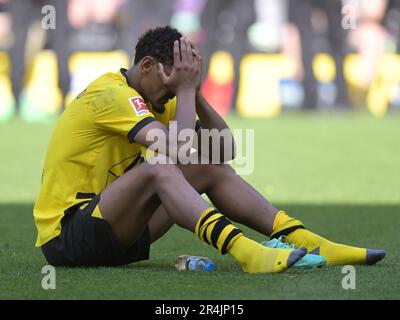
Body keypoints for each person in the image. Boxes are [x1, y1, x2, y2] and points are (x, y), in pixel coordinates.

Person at [33, 26, 385, 272]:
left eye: (180, 84)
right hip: (69, 237)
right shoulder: (110, 94)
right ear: (146, 67)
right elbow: (175, 152)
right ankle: (246, 252)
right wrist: (184, 92)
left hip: (118, 233)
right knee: (160, 168)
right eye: (171, 81)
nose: (173, 91)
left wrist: (195, 94)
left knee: (205, 165)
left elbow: (224, 151)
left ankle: (305, 239)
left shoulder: (163, 97)